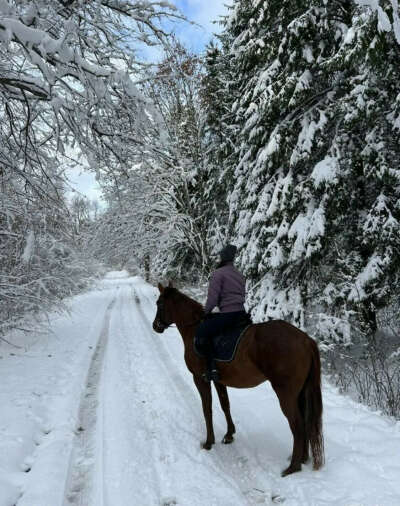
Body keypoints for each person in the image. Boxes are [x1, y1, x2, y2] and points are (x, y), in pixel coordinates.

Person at [196, 244, 247, 382]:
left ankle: (211, 368)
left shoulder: (218, 273)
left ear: (222, 257)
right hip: (241, 314)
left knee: (202, 331)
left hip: (228, 314)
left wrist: (205, 312)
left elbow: (213, 298)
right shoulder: (239, 274)